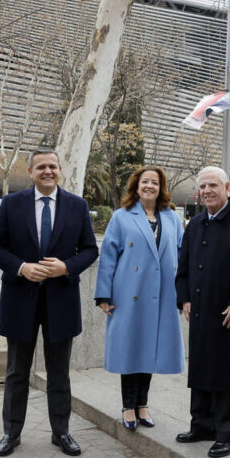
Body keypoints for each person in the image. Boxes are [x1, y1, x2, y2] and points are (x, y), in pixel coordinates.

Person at [0, 148, 98, 457]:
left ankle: (61, 432)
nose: (47, 171)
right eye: (41, 167)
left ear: (60, 170)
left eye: (52, 166)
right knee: (16, 372)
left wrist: (67, 267)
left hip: (61, 301)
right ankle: (12, 433)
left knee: (59, 373)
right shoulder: (12, 204)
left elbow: (90, 249)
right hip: (20, 300)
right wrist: (22, 268)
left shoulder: (77, 206)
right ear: (31, 172)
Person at [174, 166, 230, 458]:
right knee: (201, 369)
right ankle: (201, 425)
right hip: (200, 312)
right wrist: (184, 299)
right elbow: (183, 267)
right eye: (203, 186)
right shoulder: (196, 224)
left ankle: (227, 434)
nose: (208, 190)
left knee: (227, 373)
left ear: (227, 187)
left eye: (213, 184)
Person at [94, 166, 185, 431]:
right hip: (129, 293)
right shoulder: (121, 217)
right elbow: (108, 257)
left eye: (154, 182)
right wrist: (103, 295)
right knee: (129, 349)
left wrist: (184, 293)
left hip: (161, 294)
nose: (149, 186)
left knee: (150, 349)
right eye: (145, 181)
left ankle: (143, 404)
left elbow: (182, 254)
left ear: (161, 188)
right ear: (136, 186)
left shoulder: (171, 219)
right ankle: (128, 406)